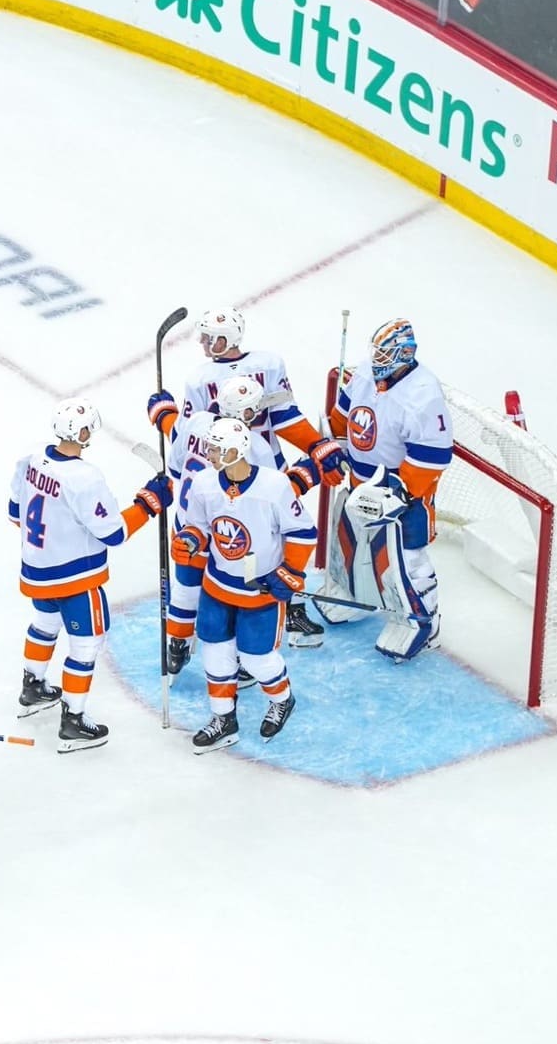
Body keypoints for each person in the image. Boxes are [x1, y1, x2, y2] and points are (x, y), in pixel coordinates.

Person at [148, 306, 332, 649]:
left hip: (195, 513)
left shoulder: (201, 415)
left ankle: (179, 643)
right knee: (260, 554)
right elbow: (268, 482)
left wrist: (163, 417)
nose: (203, 343)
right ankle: (251, 638)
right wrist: (308, 470)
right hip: (242, 482)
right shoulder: (255, 446)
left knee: (194, 579)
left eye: (209, 337)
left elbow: (178, 454)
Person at [9, 401, 172, 749]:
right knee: (86, 646)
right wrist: (148, 503)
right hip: (76, 579)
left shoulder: (31, 458)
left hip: (37, 572)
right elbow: (113, 533)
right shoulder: (84, 477)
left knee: (44, 626)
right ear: (82, 433)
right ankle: (73, 720)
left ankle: (33, 687)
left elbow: (14, 511)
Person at [172, 419, 317, 752]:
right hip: (217, 584)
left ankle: (282, 699)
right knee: (215, 653)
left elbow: (303, 532)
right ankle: (224, 719)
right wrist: (189, 542)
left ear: (237, 451)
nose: (209, 454)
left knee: (255, 658)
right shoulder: (204, 484)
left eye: (216, 448)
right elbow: (198, 526)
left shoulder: (275, 486)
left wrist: (290, 572)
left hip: (258, 590)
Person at [319, 318, 453, 661]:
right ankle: (351, 598)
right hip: (358, 482)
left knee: (404, 559)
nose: (378, 358)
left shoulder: (424, 394)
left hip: (400, 494)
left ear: (405, 353)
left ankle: (421, 622)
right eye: (377, 351)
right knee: (349, 545)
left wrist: (399, 492)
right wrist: (333, 444)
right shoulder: (365, 373)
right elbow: (343, 417)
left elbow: (432, 456)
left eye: (386, 352)